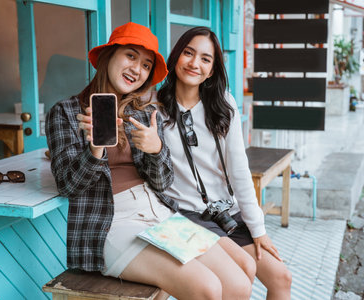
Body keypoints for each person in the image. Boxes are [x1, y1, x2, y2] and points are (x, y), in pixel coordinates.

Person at [46, 22, 253, 300]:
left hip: (158, 212)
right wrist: (95, 149)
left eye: (145, 65)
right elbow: (69, 186)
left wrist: (156, 150)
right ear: (109, 55)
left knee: (239, 283)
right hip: (111, 223)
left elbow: (162, 181)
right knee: (208, 288)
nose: (137, 69)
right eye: (130, 56)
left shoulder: (142, 112)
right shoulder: (66, 112)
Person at [157, 26, 292, 299]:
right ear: (176, 57)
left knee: (282, 278)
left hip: (225, 213)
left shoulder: (223, 104)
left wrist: (258, 229)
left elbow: (239, 171)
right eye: (188, 53)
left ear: (212, 70)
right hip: (187, 216)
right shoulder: (155, 109)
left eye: (206, 59)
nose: (195, 63)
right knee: (237, 283)